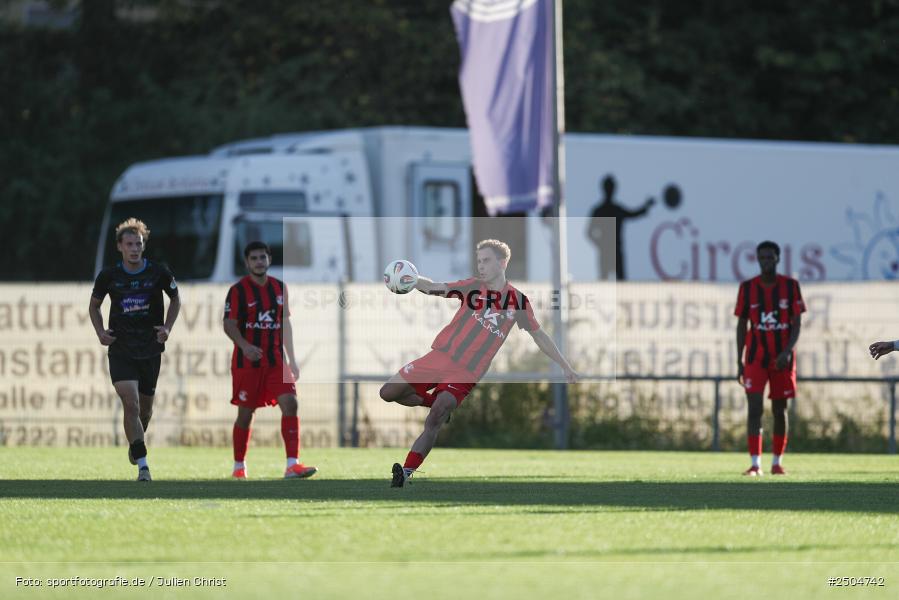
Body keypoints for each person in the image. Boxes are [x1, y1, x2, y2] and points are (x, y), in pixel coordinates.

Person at [380, 239, 579, 487]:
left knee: (435, 418)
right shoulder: (472, 286)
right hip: (440, 356)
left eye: (486, 261)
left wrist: (565, 365)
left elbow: (539, 335)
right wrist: (411, 279)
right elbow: (434, 288)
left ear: (502, 263)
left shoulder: (518, 301)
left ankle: (406, 472)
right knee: (387, 393)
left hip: (466, 372)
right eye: (479, 261)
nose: (481, 266)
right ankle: (433, 402)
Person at [89, 218, 181, 482]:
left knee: (145, 411)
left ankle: (136, 441)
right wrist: (100, 332)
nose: (134, 248)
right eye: (129, 244)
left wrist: (167, 327)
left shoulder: (159, 272)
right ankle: (143, 465)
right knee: (131, 402)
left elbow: (175, 298)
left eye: (138, 243)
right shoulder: (109, 276)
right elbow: (93, 306)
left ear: (143, 245)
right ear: (120, 246)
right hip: (121, 349)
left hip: (150, 349)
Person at [223, 241, 316, 480]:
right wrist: (245, 346)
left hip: (276, 361)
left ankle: (292, 464)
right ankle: (238, 466)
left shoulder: (280, 288)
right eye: (253, 258)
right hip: (248, 364)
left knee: (291, 404)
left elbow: (285, 324)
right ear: (247, 262)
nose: (258, 262)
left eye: (262, 257)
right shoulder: (238, 291)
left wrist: (292, 360)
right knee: (246, 414)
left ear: (269, 260)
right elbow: (229, 324)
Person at [734, 241, 805, 476]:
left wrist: (787, 351)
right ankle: (755, 464)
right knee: (754, 407)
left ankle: (777, 462)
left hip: (782, 357)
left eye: (770, 257)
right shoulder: (747, 288)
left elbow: (796, 324)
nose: (766, 262)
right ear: (757, 260)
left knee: (779, 409)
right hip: (756, 357)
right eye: (762, 258)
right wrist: (739, 361)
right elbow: (742, 325)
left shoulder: (791, 287)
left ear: (777, 259)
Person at [586, 174, 655, 280]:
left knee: (620, 285)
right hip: (608, 252)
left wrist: (646, 206)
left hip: (615, 252)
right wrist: (600, 245)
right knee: (605, 283)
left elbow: (634, 214)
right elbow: (589, 232)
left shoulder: (606, 210)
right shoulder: (602, 210)